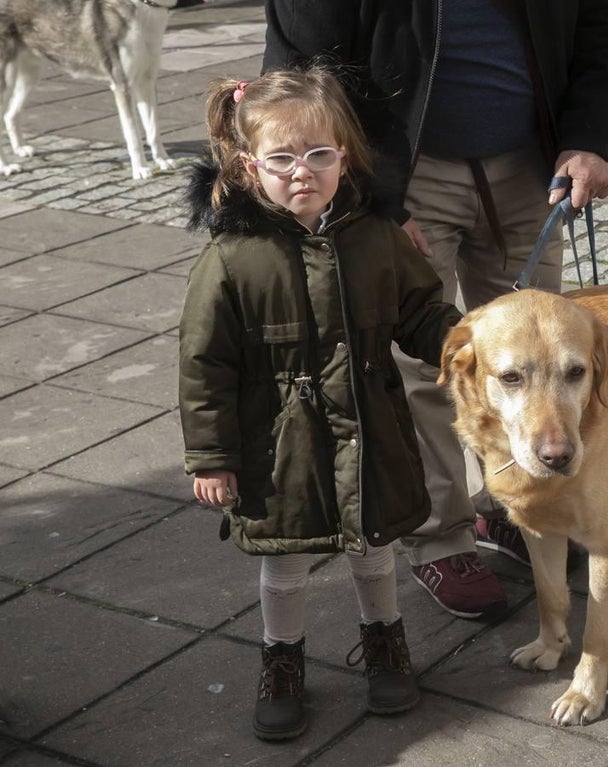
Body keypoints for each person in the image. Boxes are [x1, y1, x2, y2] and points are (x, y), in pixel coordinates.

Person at [261, 0, 608, 618]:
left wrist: (589, 138)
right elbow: (302, 72)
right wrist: (371, 194)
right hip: (404, 173)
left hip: (529, 163)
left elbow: (603, 24)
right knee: (424, 364)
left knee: (530, 360)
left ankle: (509, 504)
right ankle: (440, 536)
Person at [178, 66, 463, 741]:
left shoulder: (376, 236)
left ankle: (385, 640)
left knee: (374, 544)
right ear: (251, 169)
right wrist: (212, 456)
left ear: (345, 157)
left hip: (370, 426)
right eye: (282, 158)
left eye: (318, 154)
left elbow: (422, 309)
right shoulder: (232, 258)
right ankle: (282, 658)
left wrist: (465, 344)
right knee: (286, 558)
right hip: (280, 444)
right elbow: (203, 363)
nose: (301, 171)